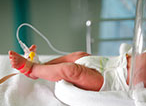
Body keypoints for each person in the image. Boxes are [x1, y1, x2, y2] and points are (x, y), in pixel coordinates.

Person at [8, 45, 146, 91]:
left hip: (113, 81)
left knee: (72, 71)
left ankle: (32, 69)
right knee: (80, 55)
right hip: (114, 61)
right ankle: (42, 67)